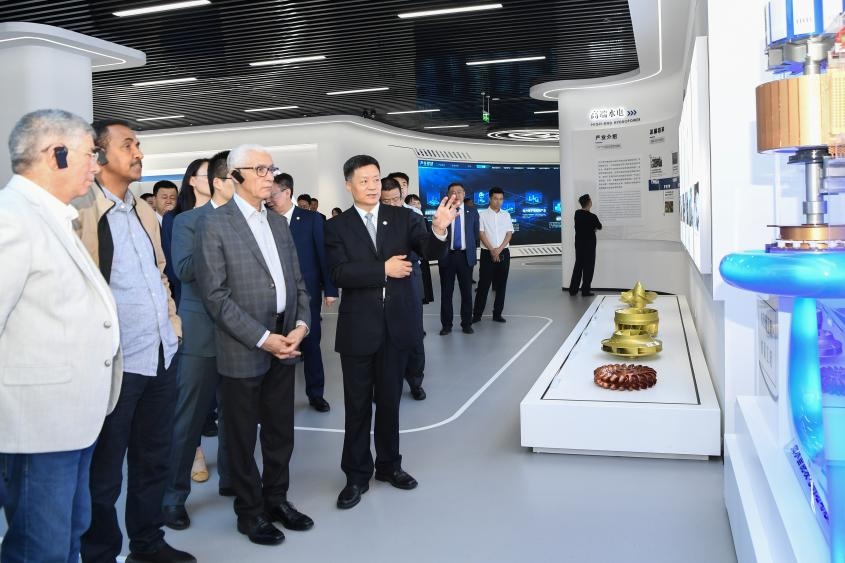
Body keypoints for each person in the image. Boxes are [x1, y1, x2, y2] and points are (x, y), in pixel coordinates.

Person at [0, 109, 121, 563]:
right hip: (37, 427)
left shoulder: (53, 217)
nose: (96, 165)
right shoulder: (11, 218)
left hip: (71, 420)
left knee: (69, 535)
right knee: (40, 548)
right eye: (91, 154)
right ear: (57, 154)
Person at [74, 119, 193, 563]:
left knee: (154, 459)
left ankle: (148, 543)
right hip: (114, 364)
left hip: (159, 354)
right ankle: (100, 554)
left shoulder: (143, 212)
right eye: (128, 145)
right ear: (99, 154)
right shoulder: (81, 211)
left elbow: (160, 273)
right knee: (104, 474)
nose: (139, 152)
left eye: (139, 145)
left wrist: (173, 325)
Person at [194, 144, 313, 547]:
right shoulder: (215, 224)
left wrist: (301, 325)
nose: (270, 176)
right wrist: (264, 339)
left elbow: (297, 283)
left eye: (271, 169)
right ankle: (250, 511)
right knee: (242, 437)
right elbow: (215, 296)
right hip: (244, 346)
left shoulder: (278, 222)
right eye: (260, 169)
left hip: (286, 340)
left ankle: (276, 499)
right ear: (235, 176)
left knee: (280, 432)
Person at [324, 155, 458, 510]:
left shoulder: (403, 217)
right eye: (364, 180)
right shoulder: (337, 227)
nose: (372, 186)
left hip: (396, 326)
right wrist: (382, 269)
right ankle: (356, 475)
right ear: (349, 185)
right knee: (356, 407)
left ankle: (389, 466)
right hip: (358, 329)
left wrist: (439, 229)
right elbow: (338, 273)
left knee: (389, 403)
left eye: (376, 179)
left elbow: (428, 250)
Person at [162, 151, 235, 531]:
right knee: (189, 417)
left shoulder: (244, 218)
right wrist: (222, 240)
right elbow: (185, 270)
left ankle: (233, 480)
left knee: (236, 413)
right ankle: (173, 497)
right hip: (201, 328)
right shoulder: (187, 221)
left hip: (240, 330)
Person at [266, 173, 338, 412]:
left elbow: (323, 255)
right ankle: (277, 398)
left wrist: (330, 289)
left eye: (273, 194)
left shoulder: (312, 219)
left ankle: (316, 393)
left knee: (311, 343)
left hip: (307, 293)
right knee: (277, 345)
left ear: (287, 192)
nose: (269, 199)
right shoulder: (264, 220)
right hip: (275, 296)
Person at [381, 178, 426, 401]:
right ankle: (384, 384)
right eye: (386, 201)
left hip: (409, 277)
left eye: (396, 200)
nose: (392, 205)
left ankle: (415, 381)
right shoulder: (372, 220)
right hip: (382, 282)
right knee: (384, 336)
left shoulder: (413, 217)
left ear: (402, 196)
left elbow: (424, 248)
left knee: (413, 332)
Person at [162, 159, 209, 308]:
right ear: (192, 180)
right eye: (208, 175)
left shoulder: (225, 214)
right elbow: (172, 266)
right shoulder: (174, 217)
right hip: (189, 298)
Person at [438, 182, 480, 335]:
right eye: (452, 192)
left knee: (466, 293)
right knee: (446, 293)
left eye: (459, 192)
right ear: (448, 195)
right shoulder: (443, 211)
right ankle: (446, 325)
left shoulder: (472, 211)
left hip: (465, 257)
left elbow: (475, 234)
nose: (456, 195)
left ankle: (466, 324)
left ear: (464, 194)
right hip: (447, 256)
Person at [473, 186, 513, 323]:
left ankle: (497, 314)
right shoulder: (482, 214)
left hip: (504, 253)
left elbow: (509, 234)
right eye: (495, 198)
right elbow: (481, 233)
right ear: (490, 198)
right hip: (487, 253)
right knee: (483, 285)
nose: (498, 201)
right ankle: (477, 315)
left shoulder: (506, 214)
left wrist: (499, 249)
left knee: (501, 285)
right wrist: (492, 249)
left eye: (501, 199)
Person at [569, 193, 602, 297]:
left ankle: (573, 290)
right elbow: (599, 226)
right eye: (590, 200)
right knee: (588, 267)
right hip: (589, 244)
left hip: (579, 243)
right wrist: (593, 228)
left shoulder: (577, 213)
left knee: (578, 265)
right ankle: (585, 291)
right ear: (588, 203)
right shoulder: (592, 216)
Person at [405, 193, 434, 303]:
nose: (417, 206)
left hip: (423, 256)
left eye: (418, 203)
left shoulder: (423, 218)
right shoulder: (408, 218)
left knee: (423, 284)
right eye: (413, 203)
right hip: (413, 257)